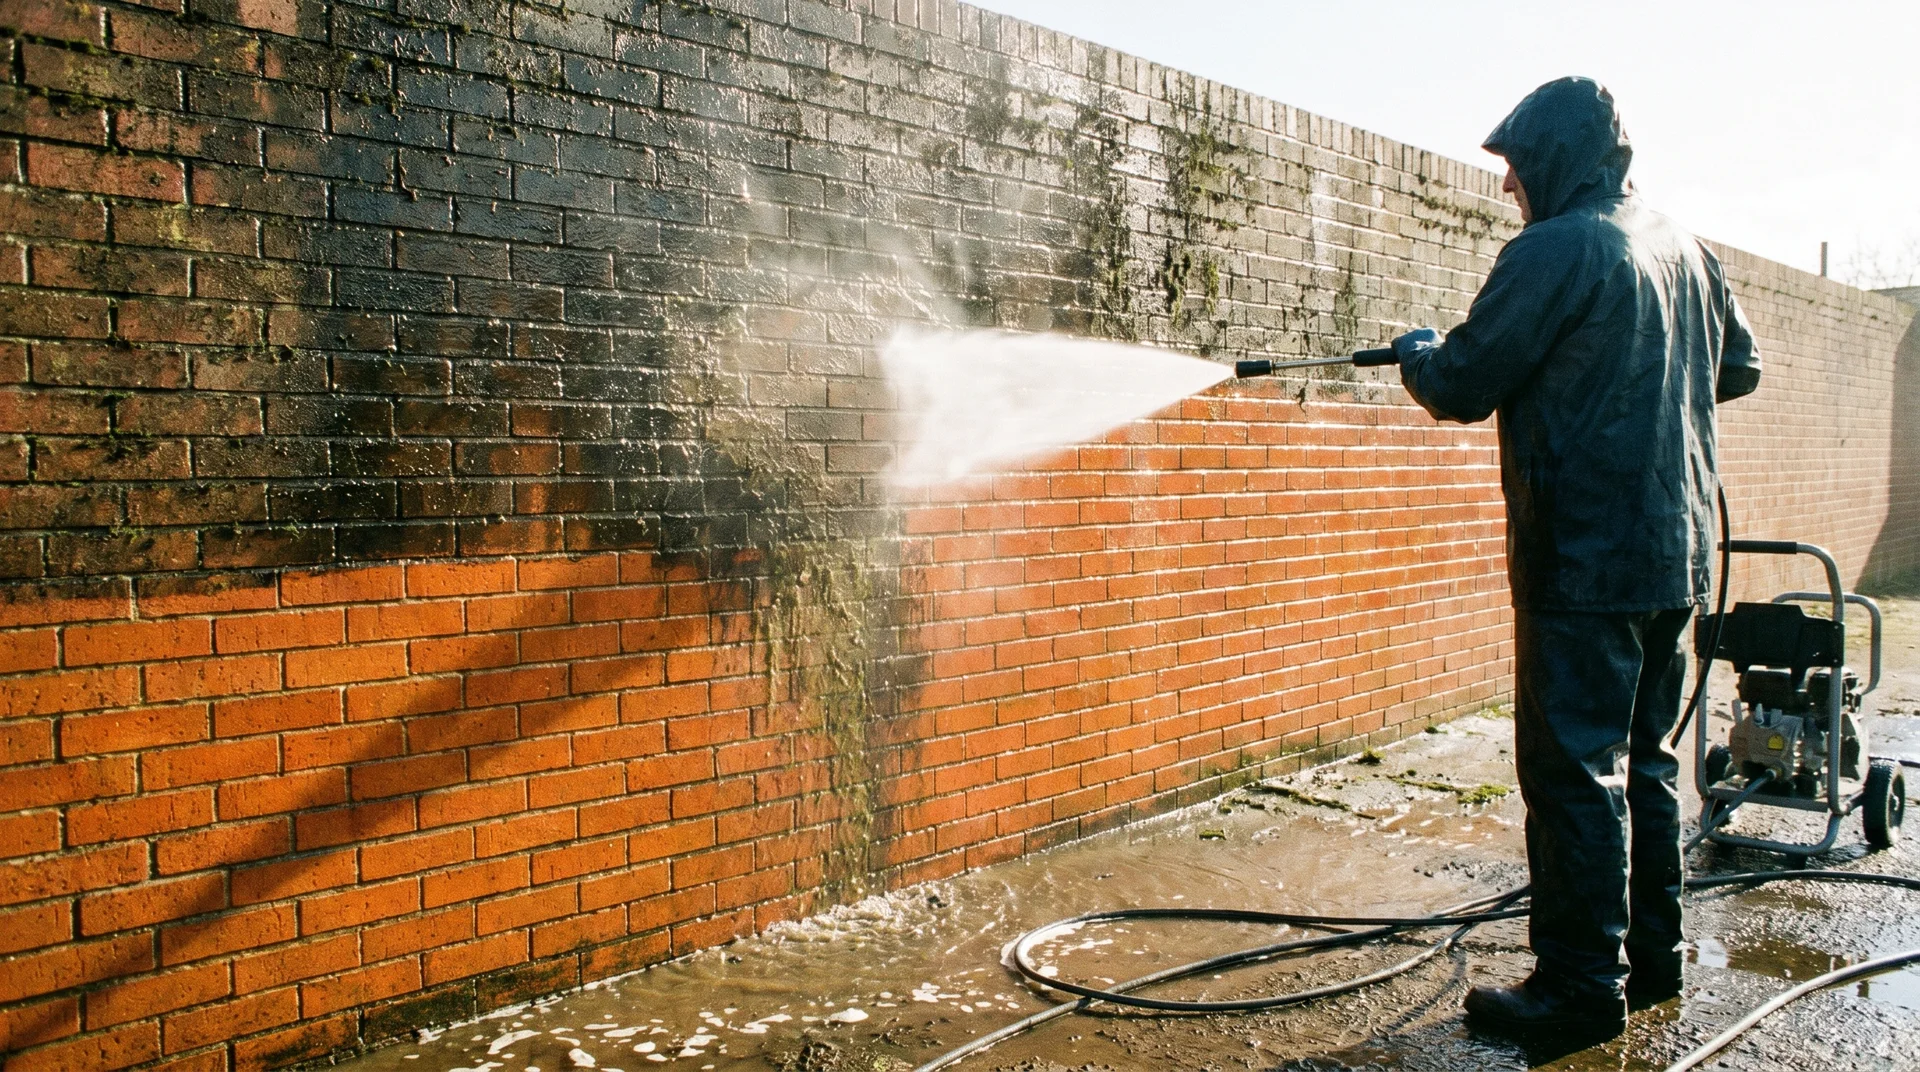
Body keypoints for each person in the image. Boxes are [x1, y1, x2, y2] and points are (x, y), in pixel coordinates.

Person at [1391, 76, 1761, 1039]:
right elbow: (1741, 367)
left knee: (1572, 777)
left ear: (1555, 157)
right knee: (1645, 766)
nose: (1508, 187)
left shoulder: (1556, 249)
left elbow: (1466, 382)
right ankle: (1653, 965)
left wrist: (1418, 351)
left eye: (1515, 168)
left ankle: (1577, 989)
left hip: (1583, 563)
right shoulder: (1686, 248)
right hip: (1676, 554)